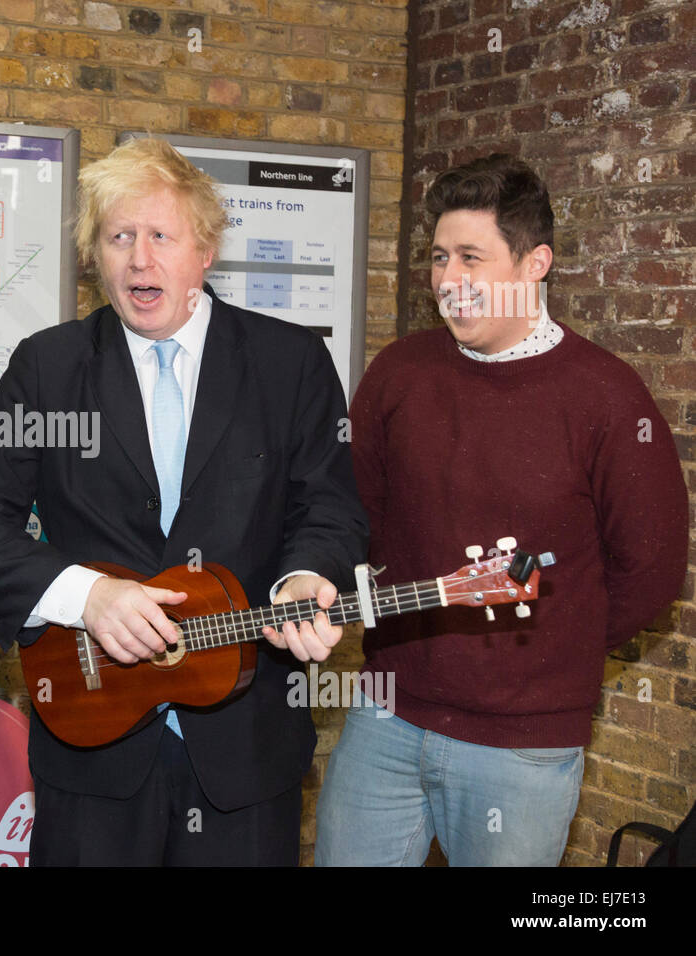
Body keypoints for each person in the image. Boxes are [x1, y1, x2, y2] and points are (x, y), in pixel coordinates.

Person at [0, 137, 367, 865]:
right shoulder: (49, 367)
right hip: (89, 739)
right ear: (95, 256)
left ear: (204, 249)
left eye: (161, 236)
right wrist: (86, 596)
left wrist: (304, 575)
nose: (140, 259)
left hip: (246, 749)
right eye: (119, 237)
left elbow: (330, 509)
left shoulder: (289, 363)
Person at [316, 153, 687, 866]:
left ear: (533, 264)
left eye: (471, 259)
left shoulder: (607, 397)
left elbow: (650, 570)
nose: (448, 281)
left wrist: (547, 652)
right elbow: (354, 515)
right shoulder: (400, 373)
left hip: (523, 749)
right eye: (439, 258)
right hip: (386, 716)